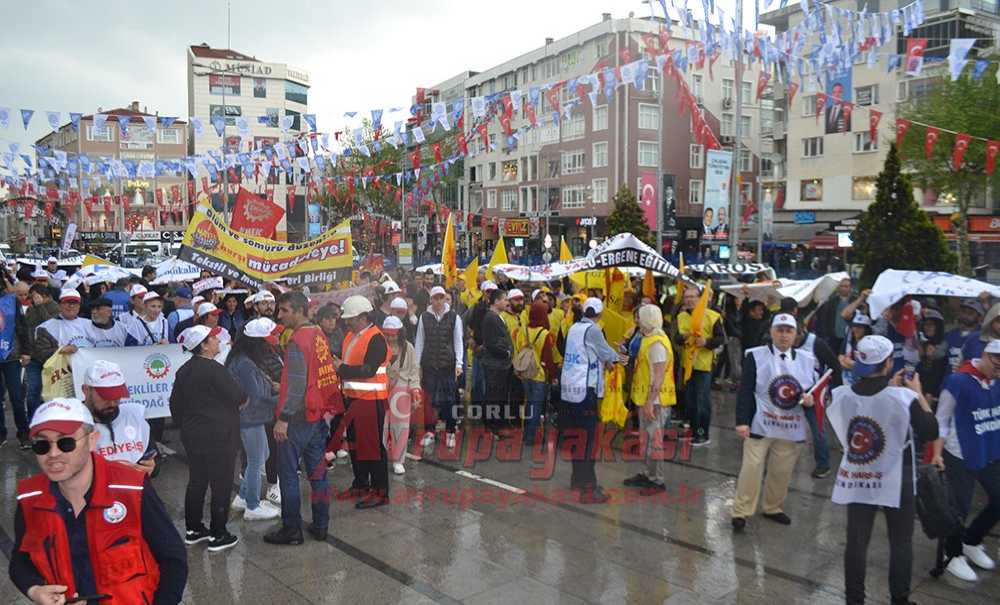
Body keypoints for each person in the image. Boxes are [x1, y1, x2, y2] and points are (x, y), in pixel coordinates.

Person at [10, 397, 187, 604]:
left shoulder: (131, 489)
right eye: (42, 445)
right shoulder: (30, 498)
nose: (53, 454)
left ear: (92, 439)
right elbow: (20, 560)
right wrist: (35, 590)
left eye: (65, 442)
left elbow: (173, 560)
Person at [827, 335, 938, 604]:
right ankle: (899, 598)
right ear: (888, 363)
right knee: (901, 541)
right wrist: (917, 393)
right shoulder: (904, 398)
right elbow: (930, 431)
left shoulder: (841, 395)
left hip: (858, 476)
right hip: (897, 478)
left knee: (856, 541)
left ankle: (854, 599)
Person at [265, 292, 341, 544]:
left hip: (297, 419)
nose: (280, 315)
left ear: (298, 310)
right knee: (318, 475)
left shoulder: (298, 340)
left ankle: (292, 530)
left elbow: (297, 384)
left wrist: (284, 418)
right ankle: (321, 525)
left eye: (284, 310)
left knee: (287, 475)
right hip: (316, 416)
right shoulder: (318, 334)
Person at [732, 314, 817, 531]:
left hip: (790, 425)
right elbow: (745, 390)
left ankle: (773, 507)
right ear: (771, 332)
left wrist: (810, 400)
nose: (784, 335)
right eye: (779, 330)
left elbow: (811, 392)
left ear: (796, 334)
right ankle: (741, 511)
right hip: (760, 422)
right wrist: (741, 421)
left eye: (789, 330)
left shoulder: (807, 359)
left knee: (782, 470)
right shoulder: (756, 356)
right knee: (751, 468)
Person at [170, 325, 246, 552]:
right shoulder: (215, 370)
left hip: (193, 434)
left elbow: (175, 404)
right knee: (221, 483)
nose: (217, 340)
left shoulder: (184, 370)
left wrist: (185, 426)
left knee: (197, 480)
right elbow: (237, 397)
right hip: (219, 435)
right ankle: (218, 533)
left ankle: (194, 529)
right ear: (203, 345)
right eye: (212, 338)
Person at [932, 339, 1000, 582]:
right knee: (959, 507)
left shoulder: (996, 381)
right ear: (984, 355)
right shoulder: (958, 381)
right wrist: (937, 452)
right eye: (996, 360)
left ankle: (972, 540)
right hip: (959, 451)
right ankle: (952, 555)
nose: (999, 367)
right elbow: (942, 418)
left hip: (989, 449)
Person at [560, 297, 624, 504]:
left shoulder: (574, 328)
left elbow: (587, 354)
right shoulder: (593, 330)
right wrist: (621, 357)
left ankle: (577, 479)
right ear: (600, 313)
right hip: (585, 391)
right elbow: (607, 353)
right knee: (588, 441)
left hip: (569, 391)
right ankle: (589, 488)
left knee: (577, 438)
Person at [333, 294, 391, 510]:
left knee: (373, 447)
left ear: (363, 317)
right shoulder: (351, 335)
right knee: (356, 445)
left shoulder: (376, 338)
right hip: (353, 399)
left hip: (370, 400)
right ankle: (360, 484)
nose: (347, 322)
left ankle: (380, 491)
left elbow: (369, 370)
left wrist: (342, 369)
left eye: (351, 318)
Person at [226, 319, 282, 521]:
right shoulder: (246, 364)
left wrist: (271, 387)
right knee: (257, 460)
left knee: (260, 455)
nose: (269, 345)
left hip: (250, 417)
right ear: (255, 343)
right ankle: (252, 505)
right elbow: (257, 396)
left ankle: (242, 496)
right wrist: (281, 398)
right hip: (251, 418)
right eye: (266, 341)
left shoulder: (242, 359)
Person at [623, 304, 676, 494]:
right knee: (646, 439)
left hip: (655, 400)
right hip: (644, 397)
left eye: (640, 317)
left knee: (654, 441)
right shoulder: (647, 338)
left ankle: (657, 480)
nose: (637, 320)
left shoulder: (657, 343)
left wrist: (649, 402)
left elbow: (659, 376)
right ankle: (647, 474)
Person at [81, 360, 156, 473]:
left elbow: (152, 457)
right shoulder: (73, 424)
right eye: (105, 397)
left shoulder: (133, 415)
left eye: (116, 397)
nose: (112, 404)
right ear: (86, 390)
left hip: (134, 488)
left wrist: (152, 467)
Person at [415, 285, 464, 449]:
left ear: (445, 298)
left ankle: (450, 430)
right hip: (429, 364)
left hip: (447, 365)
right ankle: (430, 431)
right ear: (431, 299)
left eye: (441, 297)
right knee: (428, 400)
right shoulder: (424, 317)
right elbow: (419, 341)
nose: (438, 301)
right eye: (435, 298)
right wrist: (417, 365)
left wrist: (459, 363)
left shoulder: (454, 317)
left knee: (449, 399)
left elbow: (458, 341)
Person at [674, 285, 724, 446]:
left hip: (704, 364)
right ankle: (692, 430)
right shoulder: (681, 316)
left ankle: (703, 433)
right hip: (687, 364)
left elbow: (721, 338)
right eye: (686, 297)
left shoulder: (713, 316)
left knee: (702, 399)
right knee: (689, 399)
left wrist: (706, 342)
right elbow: (676, 338)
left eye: (692, 297)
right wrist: (684, 337)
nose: (688, 300)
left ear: (700, 298)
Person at [383, 316, 421, 475]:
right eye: (388, 334)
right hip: (382, 390)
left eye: (394, 334)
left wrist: (415, 389)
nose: (391, 337)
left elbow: (414, 370)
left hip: (402, 390)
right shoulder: (379, 346)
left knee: (401, 427)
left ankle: (398, 460)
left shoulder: (408, 348)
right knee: (382, 425)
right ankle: (381, 455)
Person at [478, 289, 514, 436]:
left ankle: (496, 424)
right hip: (495, 364)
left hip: (500, 364)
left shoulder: (497, 317)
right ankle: (493, 426)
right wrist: (506, 353)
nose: (507, 302)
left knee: (498, 394)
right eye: (505, 299)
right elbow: (491, 343)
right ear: (496, 301)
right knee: (494, 395)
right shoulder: (491, 318)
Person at [523, 298, 557, 446]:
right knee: (536, 406)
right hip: (539, 375)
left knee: (528, 404)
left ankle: (526, 435)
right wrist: (554, 375)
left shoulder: (523, 330)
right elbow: (548, 358)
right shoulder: (544, 334)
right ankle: (531, 437)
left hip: (525, 373)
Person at [0, 280, 28, 448]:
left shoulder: (12, 300)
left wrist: (26, 351)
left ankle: (23, 433)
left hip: (11, 355)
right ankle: (1, 433)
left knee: (17, 397)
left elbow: (22, 327)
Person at [33, 289, 92, 362]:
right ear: (59, 305)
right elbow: (41, 354)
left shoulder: (90, 324)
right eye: (67, 302)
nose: (71, 306)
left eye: (75, 303)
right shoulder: (45, 328)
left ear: (79, 306)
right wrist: (61, 350)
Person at [814, 277, 853, 354]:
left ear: (850, 288)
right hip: (833, 335)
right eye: (841, 286)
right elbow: (824, 318)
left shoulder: (855, 300)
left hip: (849, 336)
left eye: (846, 286)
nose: (843, 288)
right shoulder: (831, 301)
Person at [944, 300, 983, 371]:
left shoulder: (982, 336)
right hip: (949, 378)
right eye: (963, 312)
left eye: (970, 313)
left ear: (979, 317)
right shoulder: (950, 334)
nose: (965, 316)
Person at [838, 312, 873, 387]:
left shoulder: (870, 345)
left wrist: (850, 363)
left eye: (860, 327)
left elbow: (868, 368)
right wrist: (854, 365)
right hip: (847, 381)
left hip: (864, 383)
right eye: (854, 326)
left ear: (866, 329)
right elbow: (841, 357)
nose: (856, 329)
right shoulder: (849, 341)